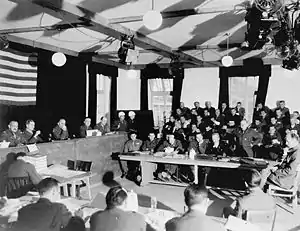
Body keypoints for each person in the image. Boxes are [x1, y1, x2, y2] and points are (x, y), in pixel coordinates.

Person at [12, 177, 82, 231]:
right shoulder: (58, 208)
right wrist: (78, 217)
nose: (59, 195)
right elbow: (76, 227)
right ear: (54, 191)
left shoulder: (23, 210)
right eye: (58, 192)